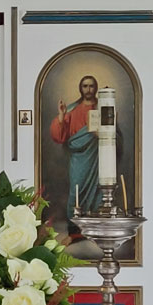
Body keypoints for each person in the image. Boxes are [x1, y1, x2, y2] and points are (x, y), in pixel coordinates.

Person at [50, 74, 104, 222]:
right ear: (81, 88)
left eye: (91, 86)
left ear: (96, 88)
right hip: (78, 159)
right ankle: (75, 226)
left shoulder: (103, 108)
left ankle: (93, 224)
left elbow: (114, 134)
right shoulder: (72, 110)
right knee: (76, 191)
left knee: (97, 191)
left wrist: (100, 134)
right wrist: (61, 115)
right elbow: (59, 135)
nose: (88, 89)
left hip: (97, 158)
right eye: (85, 86)